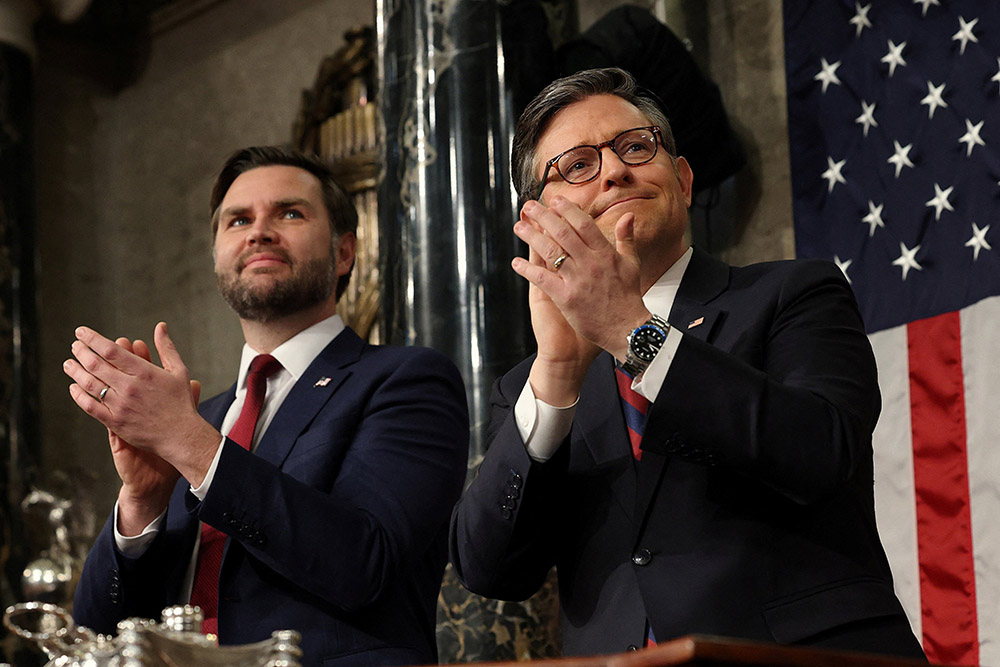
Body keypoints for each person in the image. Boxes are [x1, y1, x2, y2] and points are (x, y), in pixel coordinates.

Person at [449, 67, 925, 659]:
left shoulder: (793, 293)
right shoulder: (531, 386)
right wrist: (555, 377)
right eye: (577, 165)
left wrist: (631, 333)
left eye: (635, 147)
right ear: (537, 220)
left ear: (682, 177)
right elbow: (490, 569)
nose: (616, 170)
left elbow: (820, 450)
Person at [65, 146, 470, 666]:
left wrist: (188, 444)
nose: (259, 231)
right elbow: (97, 635)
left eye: (290, 213)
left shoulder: (405, 380)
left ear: (345, 252)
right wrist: (141, 503)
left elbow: (367, 563)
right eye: (238, 220)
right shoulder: (200, 420)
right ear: (216, 257)